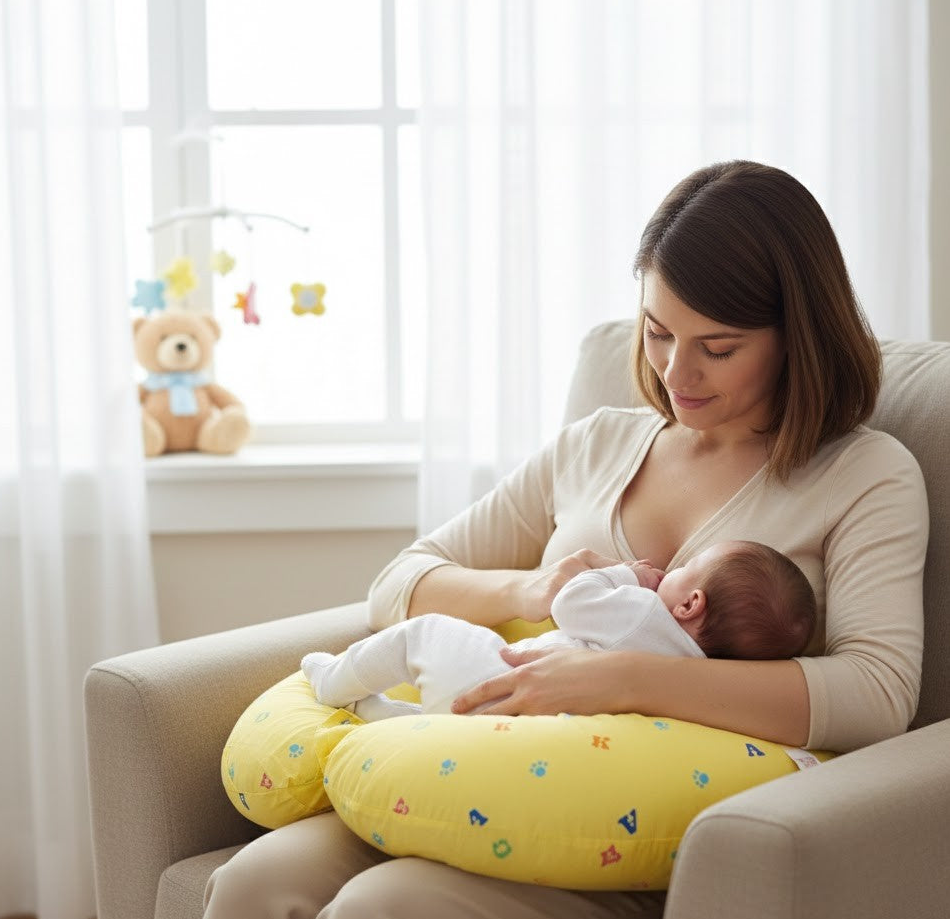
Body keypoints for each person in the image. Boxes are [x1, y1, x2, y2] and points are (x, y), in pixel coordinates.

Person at [202, 160, 928, 919]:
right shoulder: (595, 446)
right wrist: (531, 589)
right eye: (657, 332)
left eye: (717, 347)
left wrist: (622, 678)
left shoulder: (863, 475)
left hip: (649, 829)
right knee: (255, 881)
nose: (677, 372)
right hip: (486, 769)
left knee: (386, 905)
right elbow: (400, 584)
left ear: (796, 337)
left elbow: (876, 692)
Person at [302, 540, 817, 721]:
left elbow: (569, 602)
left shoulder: (644, 613)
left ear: (689, 603)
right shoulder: (696, 674)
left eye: (685, 566)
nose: (668, 568)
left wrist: (624, 576)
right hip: (528, 723)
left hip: (500, 672)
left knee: (423, 633)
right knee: (439, 716)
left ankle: (335, 683)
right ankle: (382, 714)